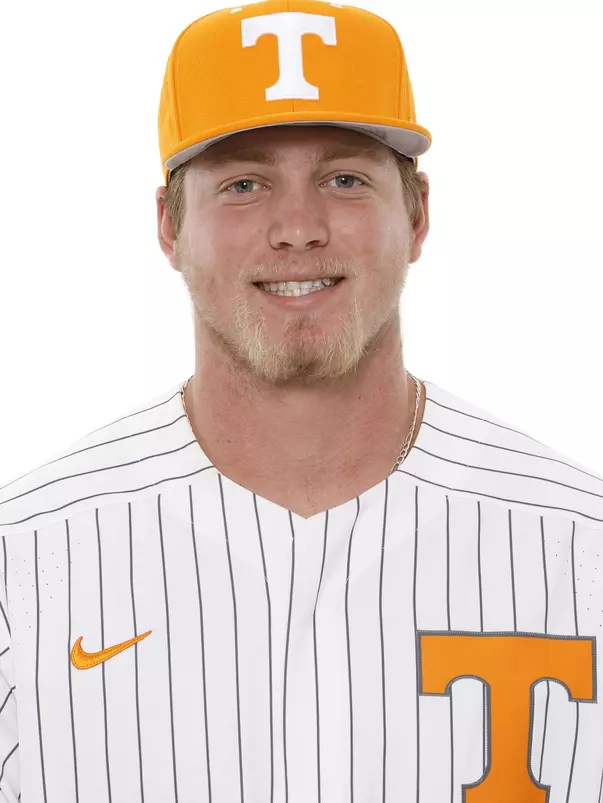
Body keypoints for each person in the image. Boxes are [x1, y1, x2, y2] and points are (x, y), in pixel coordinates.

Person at [1, 0, 602, 800]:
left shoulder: (580, 547)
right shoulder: (25, 559)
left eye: (343, 178)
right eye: (244, 184)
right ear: (170, 226)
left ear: (416, 214)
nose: (296, 228)